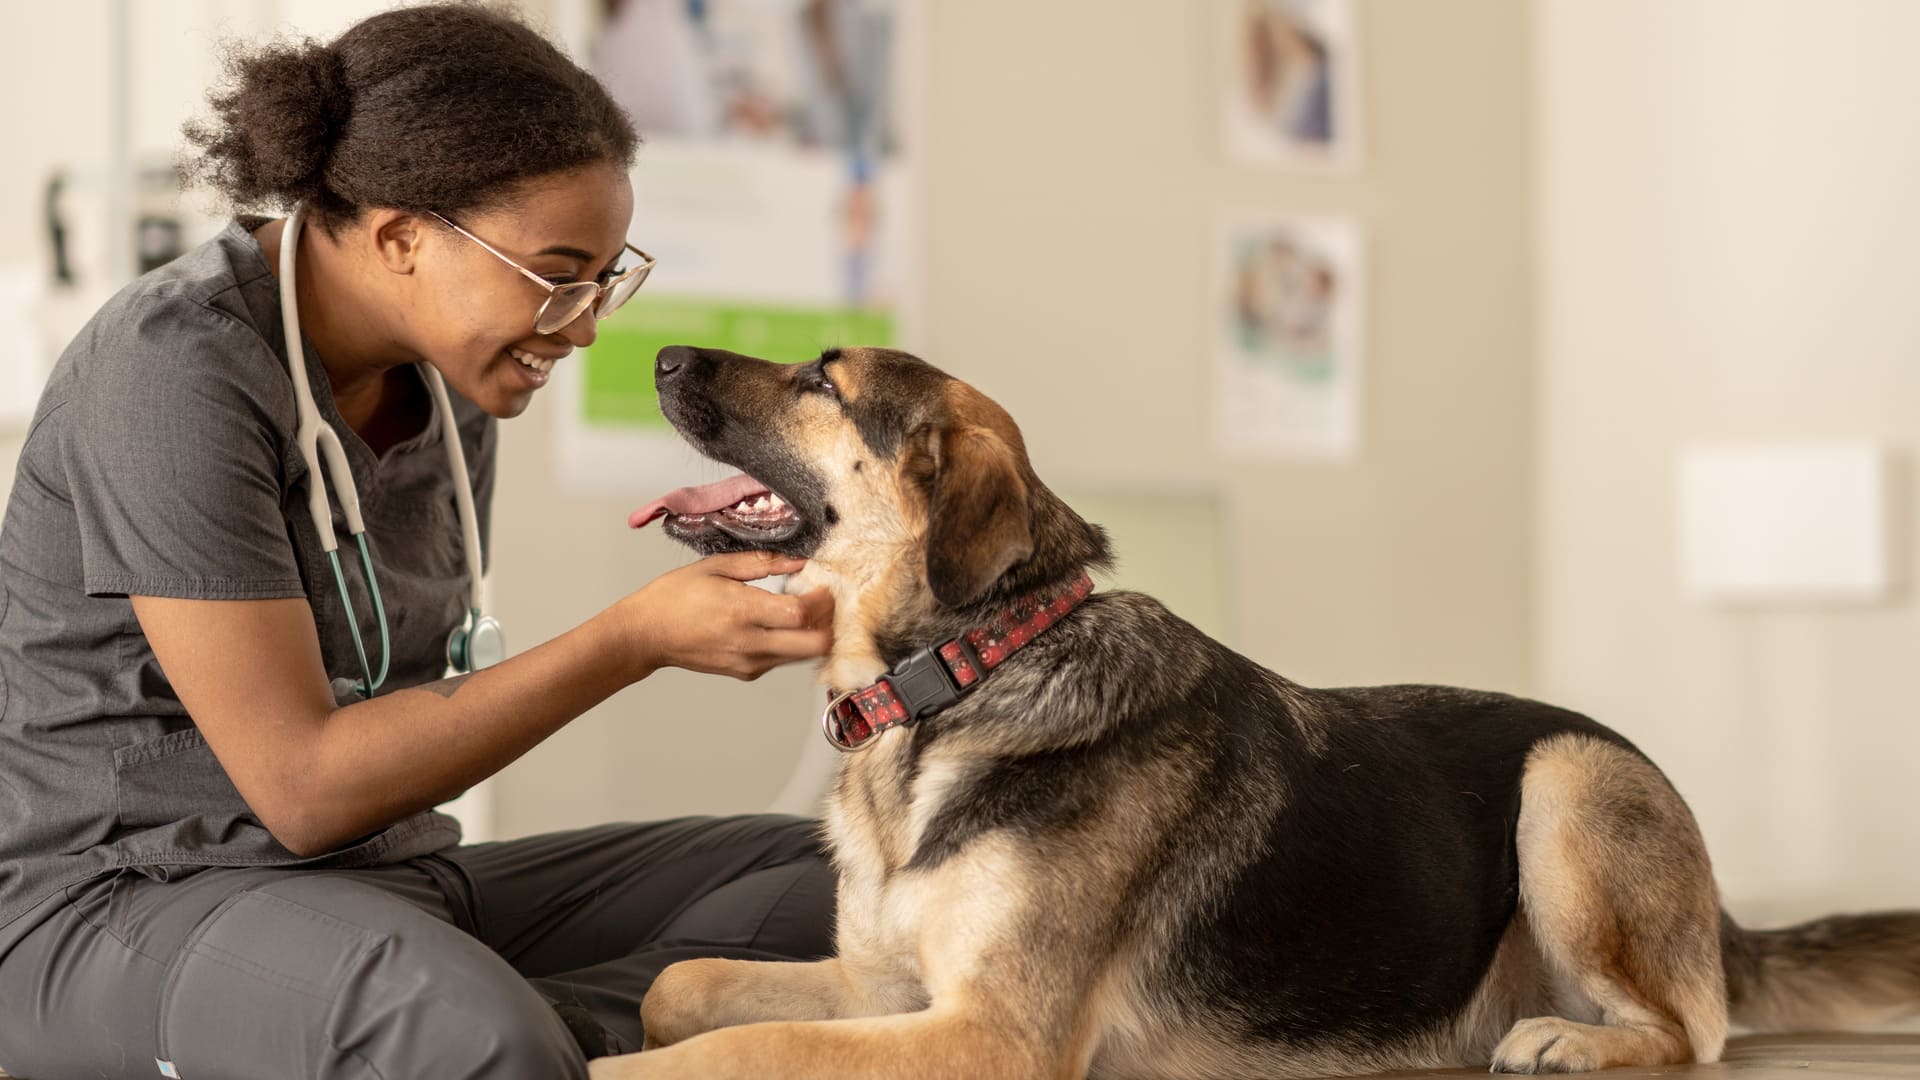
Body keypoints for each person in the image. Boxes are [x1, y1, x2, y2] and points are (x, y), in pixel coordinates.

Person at [0, 6, 839, 1078]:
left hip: (386, 887)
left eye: (604, 274)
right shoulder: (172, 375)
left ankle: (501, 1039)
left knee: (833, 883)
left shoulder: (452, 391)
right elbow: (304, 792)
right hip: (123, 905)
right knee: (461, 1028)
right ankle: (476, 1035)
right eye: (557, 271)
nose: (584, 323)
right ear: (401, 237)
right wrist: (634, 638)